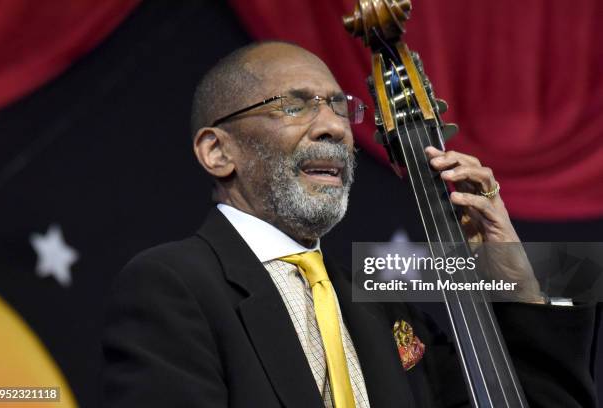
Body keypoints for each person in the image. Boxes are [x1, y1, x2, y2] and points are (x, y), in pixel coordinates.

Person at [102, 42, 598, 407]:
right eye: (294, 106)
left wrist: (517, 272)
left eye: (341, 107)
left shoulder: (384, 302)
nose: (335, 127)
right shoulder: (170, 284)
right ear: (217, 151)